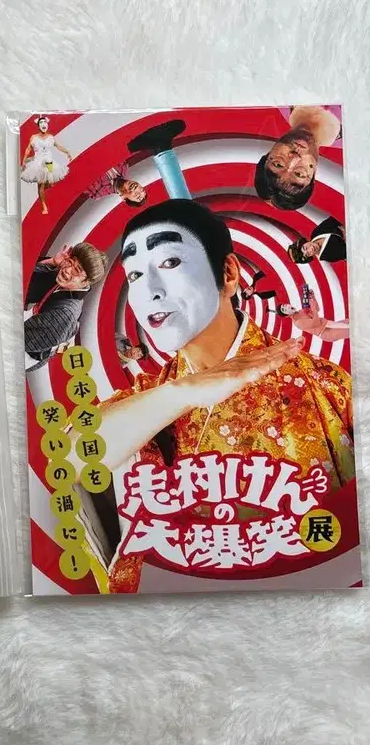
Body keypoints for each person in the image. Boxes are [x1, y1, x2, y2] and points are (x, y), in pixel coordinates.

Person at [75, 199, 353, 593]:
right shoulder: (151, 397)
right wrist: (182, 393)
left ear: (229, 272)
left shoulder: (324, 383)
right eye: (135, 275)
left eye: (169, 262)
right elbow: (71, 455)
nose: (149, 291)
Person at [24, 242, 108, 369]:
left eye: (77, 270)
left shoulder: (66, 313)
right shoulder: (66, 282)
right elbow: (27, 285)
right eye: (70, 262)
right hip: (28, 326)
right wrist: (51, 262)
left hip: (27, 353)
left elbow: (21, 342)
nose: (68, 270)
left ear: (85, 282)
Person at [254, 106, 340, 210]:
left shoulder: (279, 103)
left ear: (268, 154)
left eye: (278, 164)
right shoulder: (353, 137)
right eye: (299, 174)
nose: (294, 158)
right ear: (313, 175)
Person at [20, 115, 72, 215]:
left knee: (51, 182)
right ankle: (44, 207)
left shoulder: (51, 137)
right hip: (38, 163)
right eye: (41, 123)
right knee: (41, 186)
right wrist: (23, 161)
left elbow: (58, 146)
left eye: (45, 122)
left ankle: (45, 189)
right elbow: (28, 149)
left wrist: (67, 152)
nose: (43, 124)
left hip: (49, 162)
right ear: (38, 125)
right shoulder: (34, 137)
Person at [277, 292, 350, 342]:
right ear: (287, 316)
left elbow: (316, 309)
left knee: (351, 322)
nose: (287, 307)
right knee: (353, 330)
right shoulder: (298, 322)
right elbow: (316, 322)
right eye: (284, 309)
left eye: (284, 305)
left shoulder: (300, 311)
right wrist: (312, 306)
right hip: (327, 332)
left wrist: (312, 297)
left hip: (329, 325)